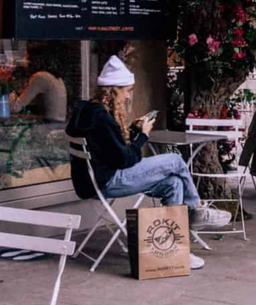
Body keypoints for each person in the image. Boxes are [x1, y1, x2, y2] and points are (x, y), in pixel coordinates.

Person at [66, 56, 232, 270]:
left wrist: (134, 130)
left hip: (92, 181)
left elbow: (111, 149)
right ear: (113, 90)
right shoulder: (102, 119)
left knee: (174, 183)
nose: (128, 96)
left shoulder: (88, 112)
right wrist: (143, 136)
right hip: (108, 180)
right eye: (126, 90)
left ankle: (174, 251)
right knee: (175, 160)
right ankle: (197, 208)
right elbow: (125, 159)